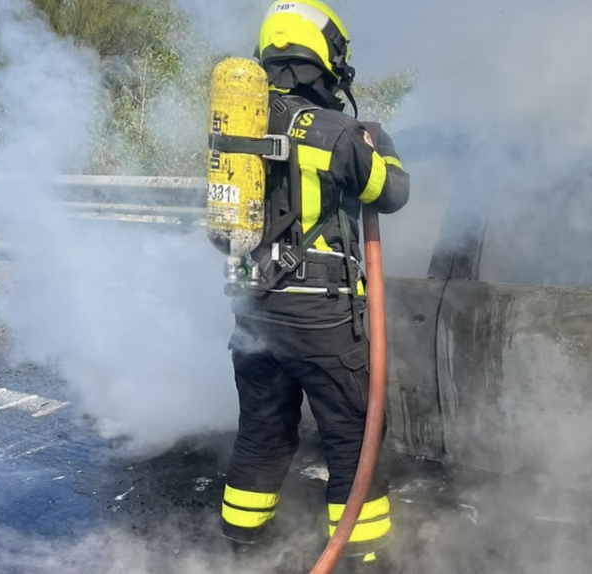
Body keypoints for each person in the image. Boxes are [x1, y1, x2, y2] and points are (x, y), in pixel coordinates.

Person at [219, 0, 410, 569]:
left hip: (254, 311)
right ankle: (363, 555)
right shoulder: (336, 130)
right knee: (353, 438)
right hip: (322, 320)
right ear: (326, 56)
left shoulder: (237, 128)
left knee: (262, 430)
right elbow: (392, 193)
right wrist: (381, 143)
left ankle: (242, 546)